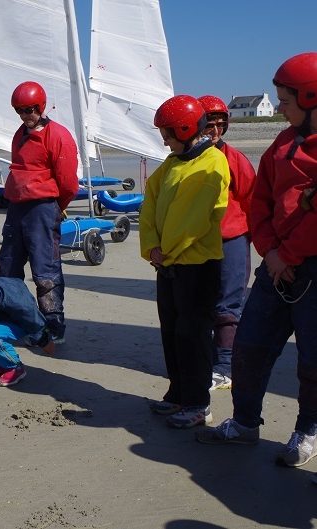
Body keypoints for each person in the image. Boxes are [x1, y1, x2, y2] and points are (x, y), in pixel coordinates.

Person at [196, 53, 317, 474]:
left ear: (311, 97)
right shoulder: (281, 146)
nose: (280, 107)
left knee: (312, 359)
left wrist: (290, 253)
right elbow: (260, 201)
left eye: (286, 100)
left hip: (310, 269)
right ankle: (245, 422)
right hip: (276, 266)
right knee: (249, 347)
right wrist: (269, 251)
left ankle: (307, 430)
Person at [140, 94, 230, 429]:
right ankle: (178, 393)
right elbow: (149, 203)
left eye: (167, 132)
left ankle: (198, 403)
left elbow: (193, 219)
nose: (163, 138)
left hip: (197, 266)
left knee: (193, 335)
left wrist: (167, 252)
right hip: (168, 265)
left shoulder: (211, 162)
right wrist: (151, 247)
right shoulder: (171, 163)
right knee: (172, 333)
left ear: (184, 128)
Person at [0, 81, 79, 345]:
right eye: (19, 110)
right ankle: (14, 319)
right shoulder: (19, 134)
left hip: (43, 209)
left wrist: (57, 207)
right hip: (17, 208)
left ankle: (54, 326)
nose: (25, 115)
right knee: (8, 267)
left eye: (30, 109)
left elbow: (67, 182)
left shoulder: (58, 135)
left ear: (40, 106)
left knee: (45, 270)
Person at [197, 95, 256, 391]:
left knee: (228, 305)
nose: (215, 129)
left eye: (221, 124)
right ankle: (205, 359)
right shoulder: (185, 159)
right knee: (200, 303)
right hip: (197, 243)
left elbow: (252, 200)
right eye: (210, 122)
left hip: (232, 239)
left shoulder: (235, 159)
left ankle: (224, 366)